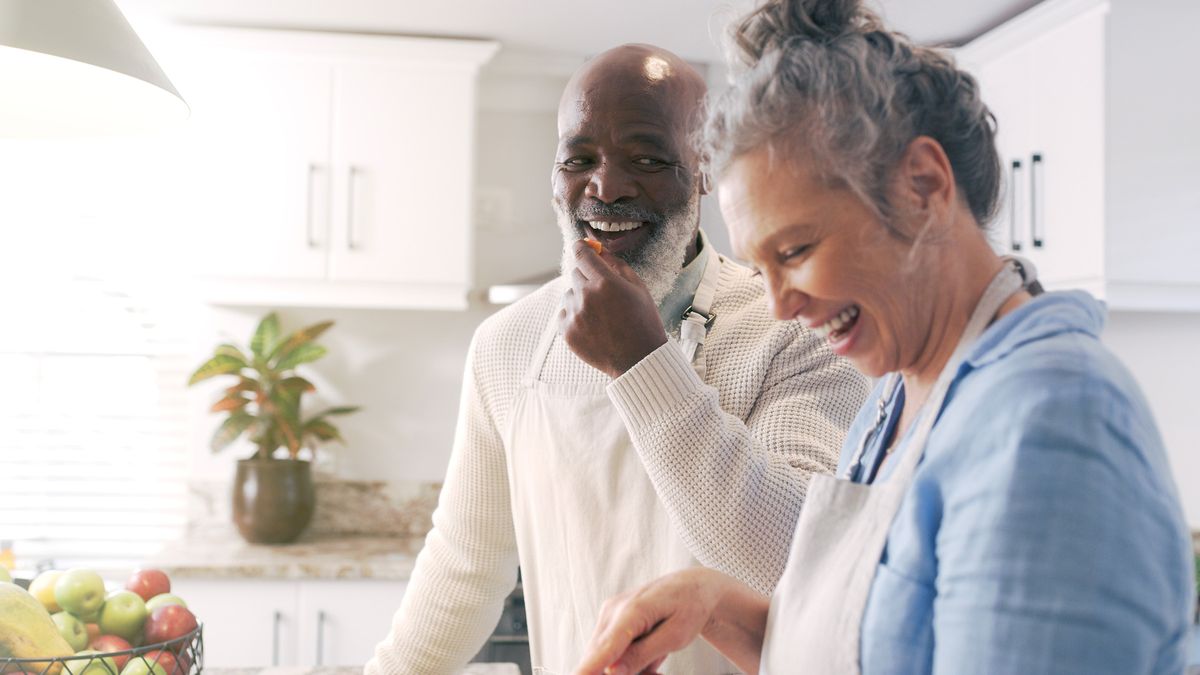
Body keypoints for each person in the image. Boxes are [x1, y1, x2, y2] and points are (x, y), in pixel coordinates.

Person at [572, 2, 1196, 674]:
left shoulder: (1051, 421)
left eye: (798, 249)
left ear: (923, 186)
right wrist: (714, 603)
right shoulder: (894, 402)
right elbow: (873, 649)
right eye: (762, 268)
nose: (781, 306)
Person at [364, 44, 870, 674]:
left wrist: (641, 359)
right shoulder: (505, 345)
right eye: (578, 159)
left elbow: (791, 560)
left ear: (706, 166)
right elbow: (463, 566)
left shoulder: (794, 328)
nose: (605, 187)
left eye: (647, 158)